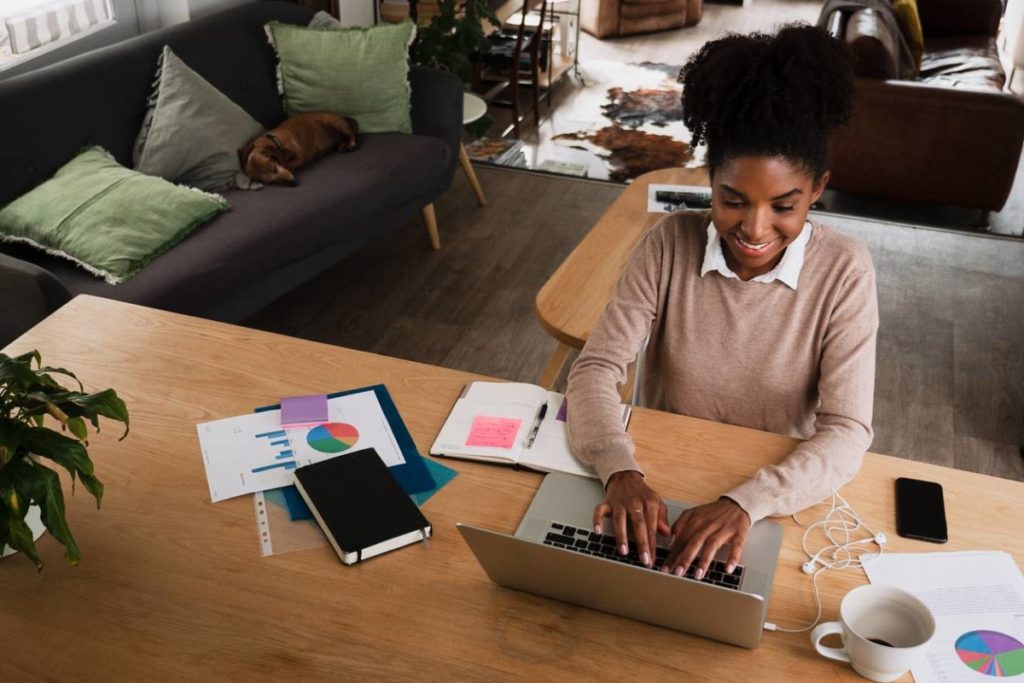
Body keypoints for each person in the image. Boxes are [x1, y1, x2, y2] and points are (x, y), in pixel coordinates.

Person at [565, 24, 878, 581]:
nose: (754, 229)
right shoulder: (667, 244)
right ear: (710, 183)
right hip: (656, 483)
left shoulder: (845, 271)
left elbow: (847, 429)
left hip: (771, 499)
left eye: (784, 206)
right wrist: (619, 470)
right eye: (732, 200)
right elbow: (596, 370)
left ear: (817, 189)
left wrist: (746, 504)